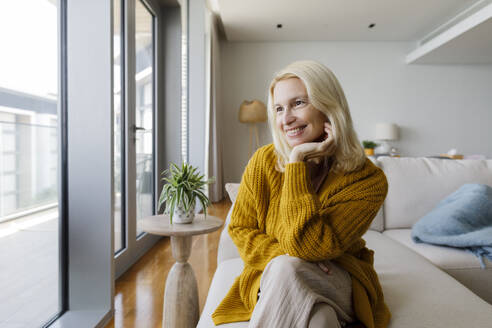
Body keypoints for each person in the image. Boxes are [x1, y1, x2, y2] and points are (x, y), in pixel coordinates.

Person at [212, 60, 391, 328]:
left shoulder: (367, 179)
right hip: (275, 276)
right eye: (279, 108)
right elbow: (240, 228)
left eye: (298, 103)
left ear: (329, 106)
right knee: (320, 319)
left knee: (287, 267)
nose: (286, 119)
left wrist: (296, 166)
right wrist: (286, 257)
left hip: (336, 278)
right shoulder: (264, 161)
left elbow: (312, 247)